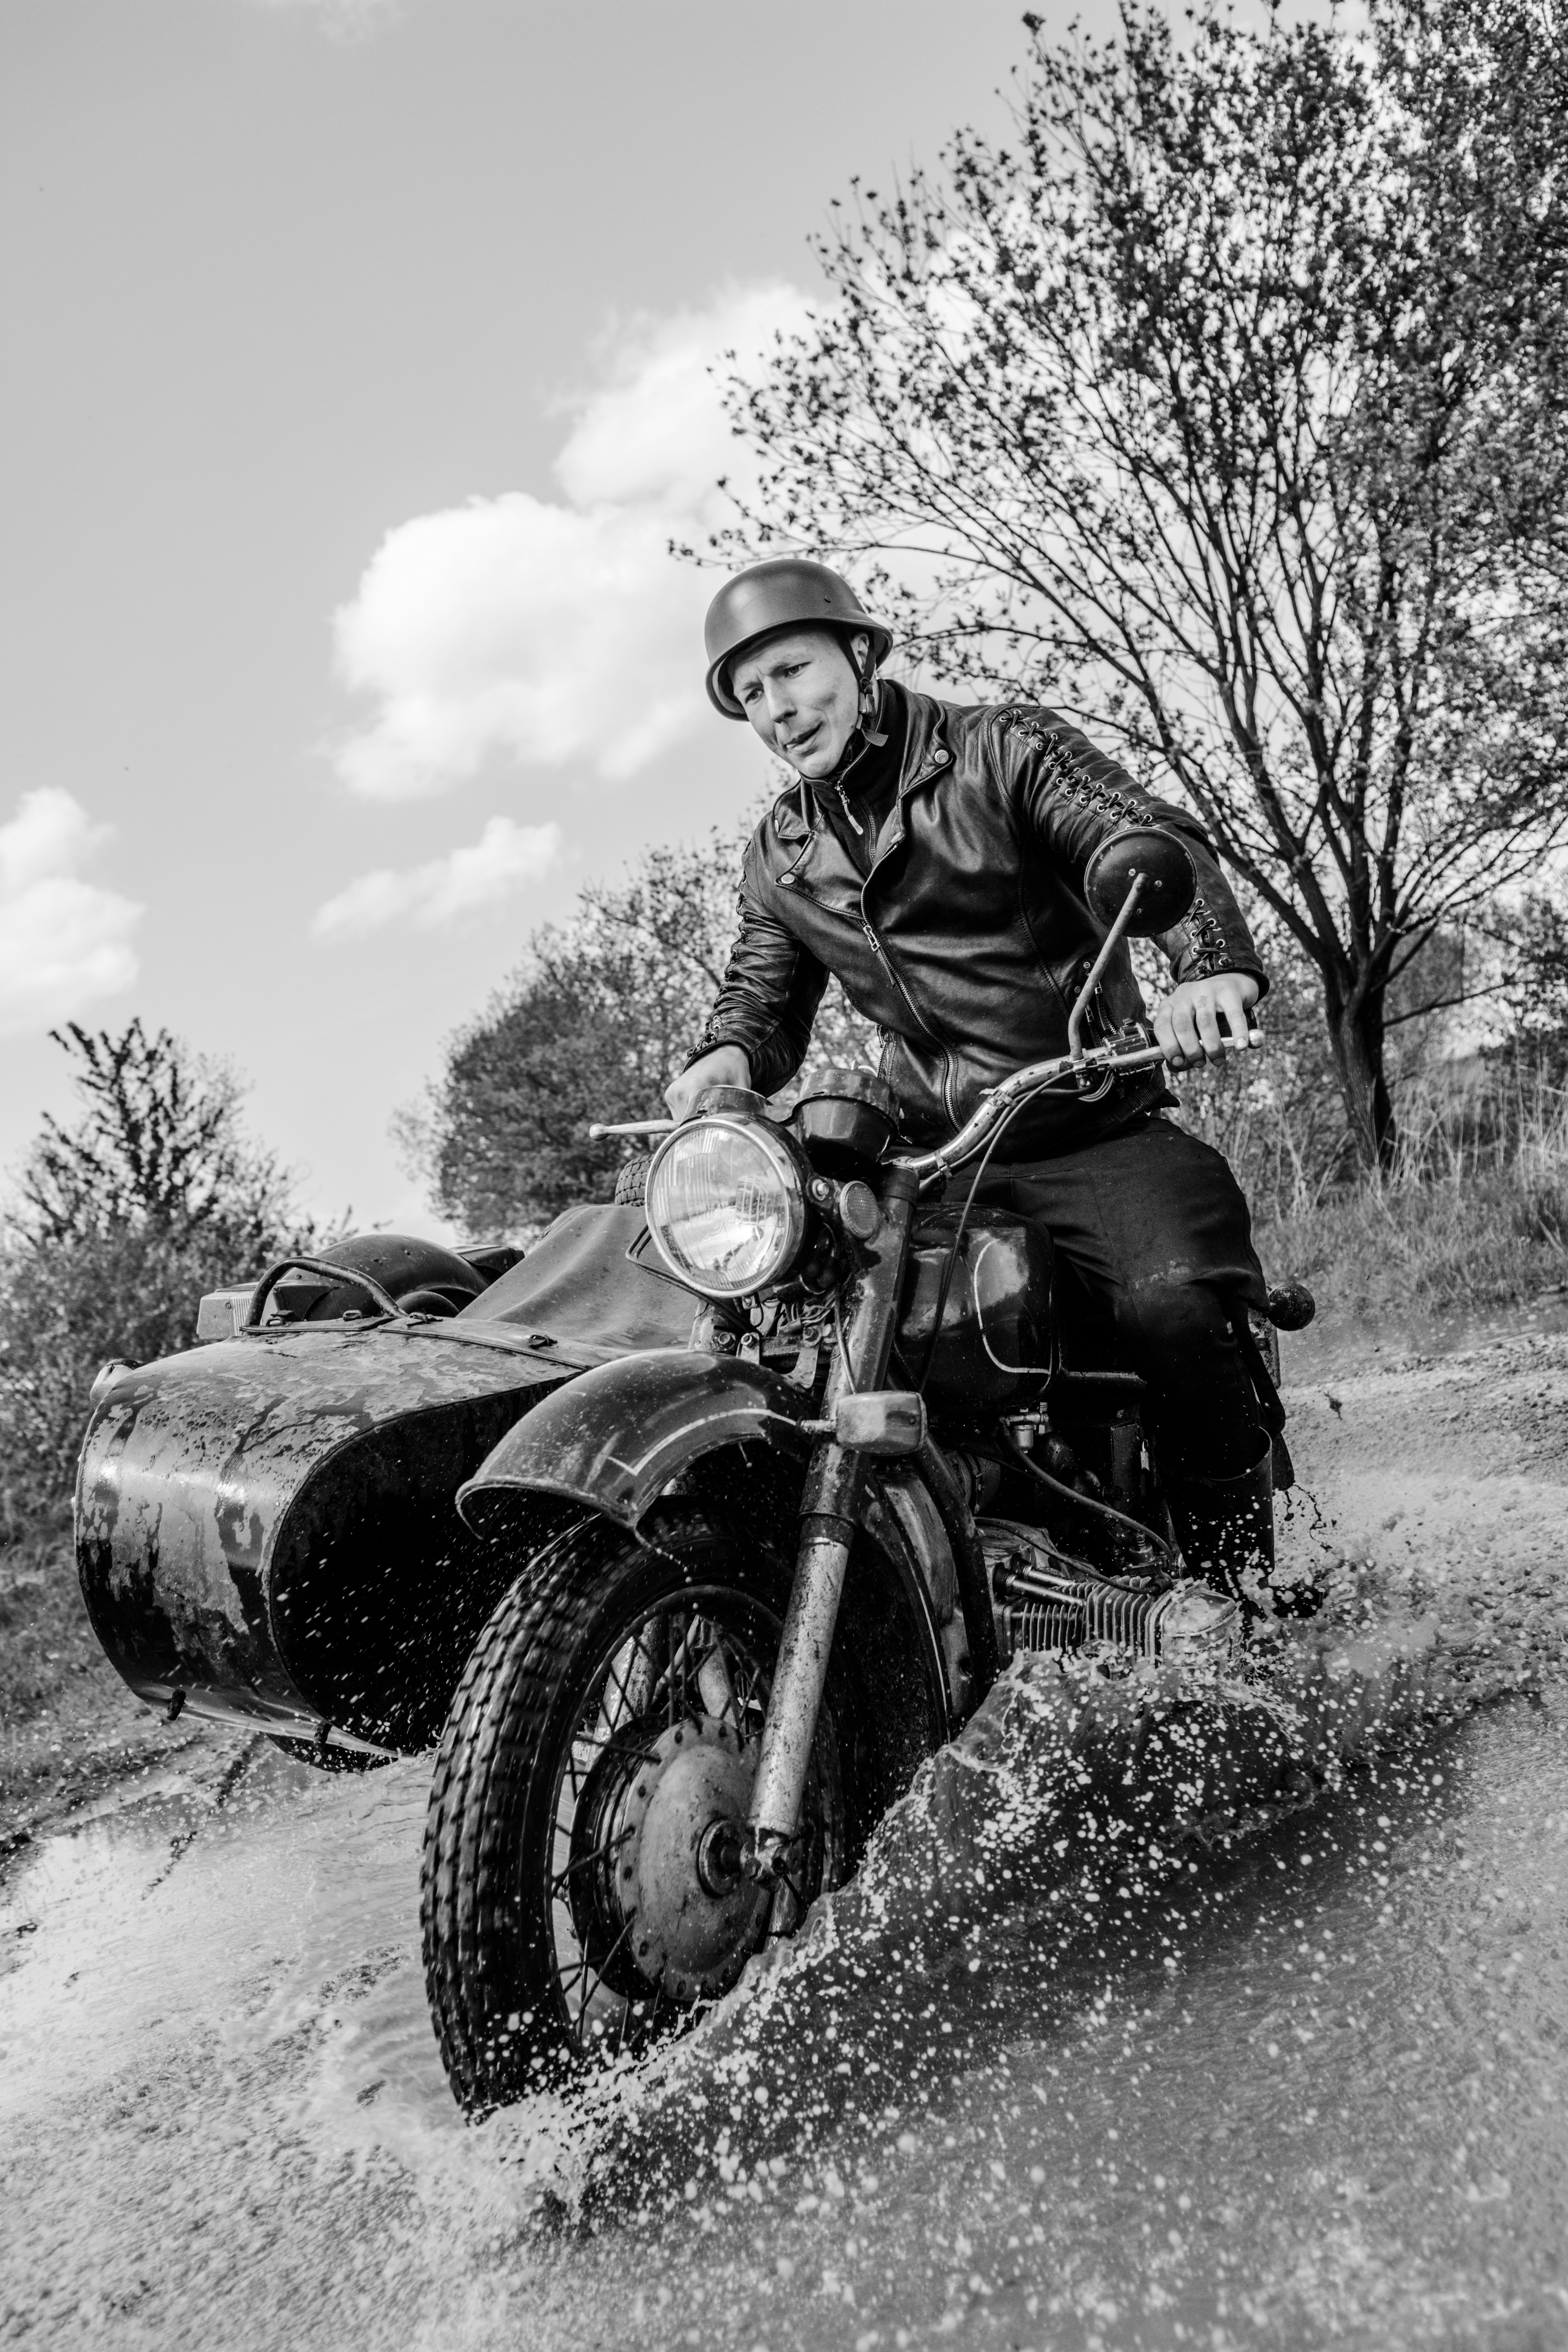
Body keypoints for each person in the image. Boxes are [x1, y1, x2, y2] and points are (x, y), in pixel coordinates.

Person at [666, 556, 1283, 1601]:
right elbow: (762, 1001)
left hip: (1087, 1119)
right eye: (752, 694)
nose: (777, 709)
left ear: (859, 655)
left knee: (1176, 1307)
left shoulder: (1001, 750)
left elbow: (1146, 841)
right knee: (795, 1333)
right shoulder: (780, 854)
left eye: (791, 671)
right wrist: (725, 1058)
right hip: (932, 1160)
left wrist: (1207, 966)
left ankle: (1238, 1588)